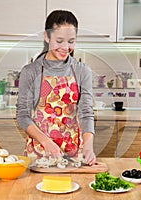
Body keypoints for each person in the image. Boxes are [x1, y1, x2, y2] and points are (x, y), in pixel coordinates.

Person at [16, 10, 96, 165]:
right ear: (47, 36)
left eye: (71, 41)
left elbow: (86, 112)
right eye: (59, 41)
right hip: (40, 152)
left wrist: (88, 145)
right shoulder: (30, 71)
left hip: (74, 153)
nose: (66, 47)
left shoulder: (82, 70)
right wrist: (46, 142)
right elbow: (23, 115)